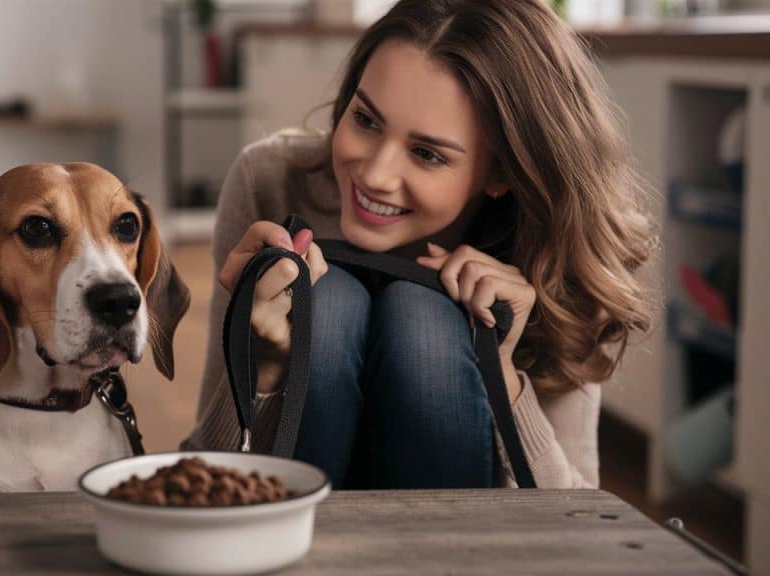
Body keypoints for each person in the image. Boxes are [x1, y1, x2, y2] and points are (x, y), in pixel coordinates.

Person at [181, 0, 658, 489]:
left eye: (427, 153)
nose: (374, 174)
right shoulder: (269, 183)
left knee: (421, 315)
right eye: (366, 120)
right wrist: (262, 368)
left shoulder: (559, 248)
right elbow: (200, 477)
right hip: (291, 536)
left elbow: (577, 530)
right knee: (329, 300)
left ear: (501, 173)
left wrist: (504, 379)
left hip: (456, 549)